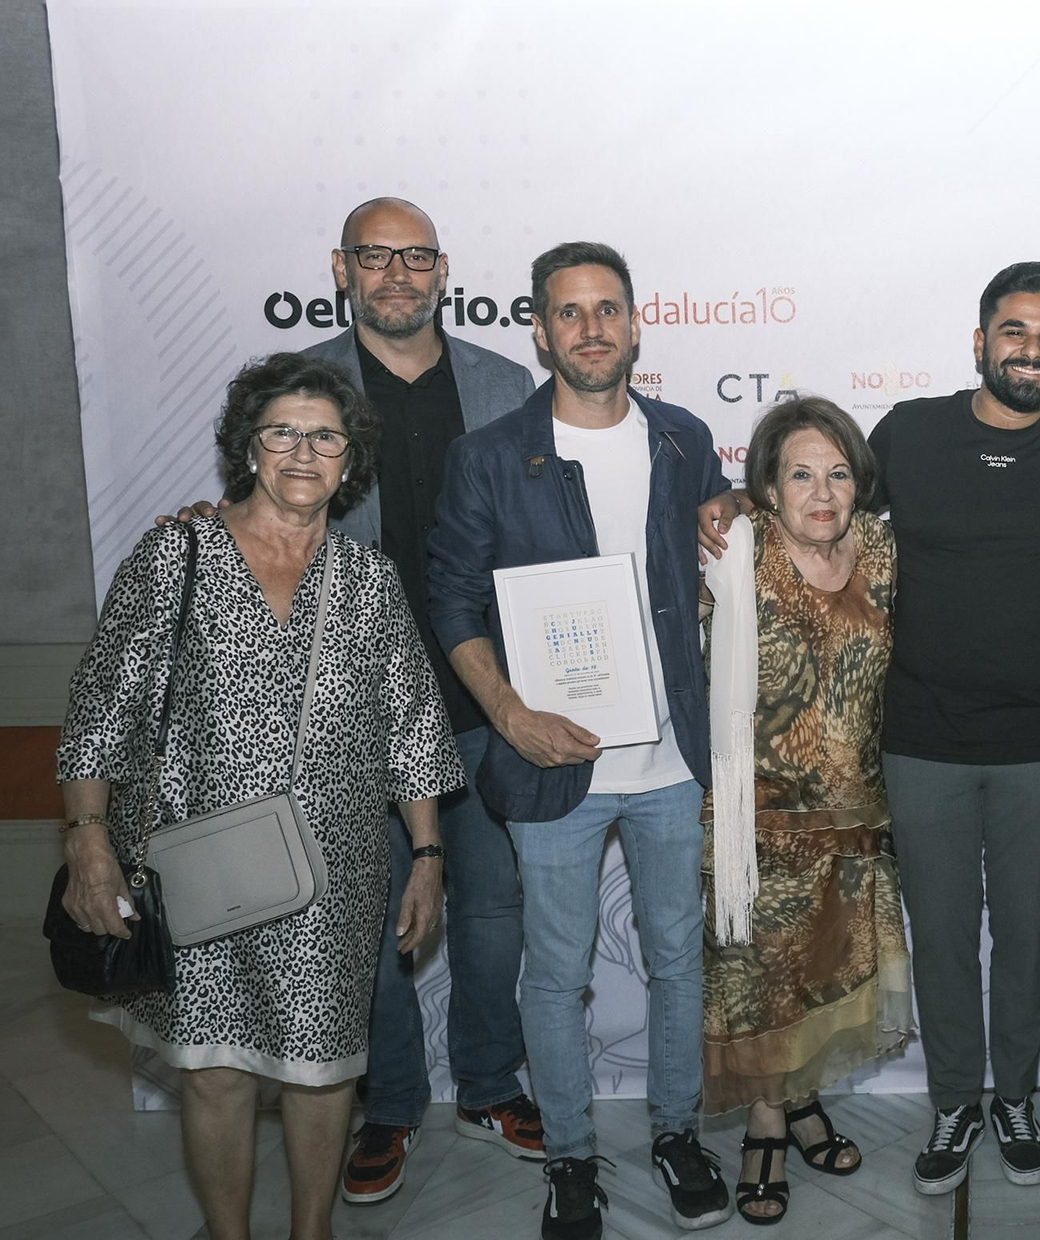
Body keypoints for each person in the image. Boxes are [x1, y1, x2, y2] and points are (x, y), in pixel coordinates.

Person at [701, 261, 1040, 1195]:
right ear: (981, 342)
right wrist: (731, 502)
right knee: (941, 935)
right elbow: (820, 515)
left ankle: (1015, 1097)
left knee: (1026, 933)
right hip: (919, 743)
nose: (1031, 350)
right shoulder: (912, 433)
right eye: (1014, 331)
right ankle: (955, 1103)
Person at [57, 353, 463, 1240]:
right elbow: (102, 708)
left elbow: (413, 729)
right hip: (195, 865)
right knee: (216, 1070)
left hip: (336, 871)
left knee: (323, 1069)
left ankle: (309, 1233)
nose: (306, 451)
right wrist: (87, 838)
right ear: (249, 447)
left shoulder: (369, 580)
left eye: (328, 436)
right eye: (284, 432)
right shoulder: (178, 555)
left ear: (351, 461)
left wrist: (427, 856)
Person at [428, 242, 733, 1238]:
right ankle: (568, 1156)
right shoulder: (487, 454)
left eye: (609, 308)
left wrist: (727, 531)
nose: (592, 327)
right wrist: (509, 714)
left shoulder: (685, 439)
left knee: (676, 963)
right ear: (540, 330)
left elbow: (718, 568)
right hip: (549, 759)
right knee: (555, 971)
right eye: (570, 312)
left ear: (638, 323)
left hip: (669, 760)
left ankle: (677, 1132)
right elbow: (453, 596)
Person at [302, 196, 544, 1202]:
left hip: (488, 697)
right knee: (366, 922)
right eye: (376, 256)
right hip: (354, 707)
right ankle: (391, 1101)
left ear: (442, 269)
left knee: (492, 908)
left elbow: (543, 523)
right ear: (341, 267)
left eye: (415, 257)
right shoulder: (301, 386)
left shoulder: (502, 382)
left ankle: (489, 1082)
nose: (396, 274)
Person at [699, 397, 914, 1225]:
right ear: (767, 485)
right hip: (755, 824)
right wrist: (718, 508)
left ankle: (803, 1098)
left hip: (857, 817)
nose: (820, 493)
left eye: (836, 473)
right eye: (799, 474)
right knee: (757, 984)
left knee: (826, 973)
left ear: (859, 483)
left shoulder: (886, 553)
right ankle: (766, 1121)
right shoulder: (731, 553)